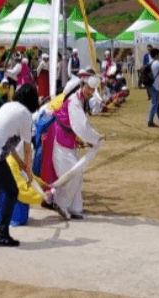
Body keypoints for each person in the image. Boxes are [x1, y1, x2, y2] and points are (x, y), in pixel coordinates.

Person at [0, 84, 42, 247]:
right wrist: (30, 170)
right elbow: (27, 146)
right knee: (12, 191)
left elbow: (9, 144)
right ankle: (2, 234)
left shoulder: (8, 107)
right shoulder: (25, 114)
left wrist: (21, 164)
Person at [48, 77, 103, 220]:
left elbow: (79, 126)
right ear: (83, 85)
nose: (90, 92)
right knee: (71, 173)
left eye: (92, 90)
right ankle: (61, 204)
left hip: (67, 138)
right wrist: (96, 138)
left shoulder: (79, 100)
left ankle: (74, 207)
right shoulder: (75, 101)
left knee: (76, 171)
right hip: (60, 138)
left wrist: (89, 139)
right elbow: (81, 127)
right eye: (88, 88)